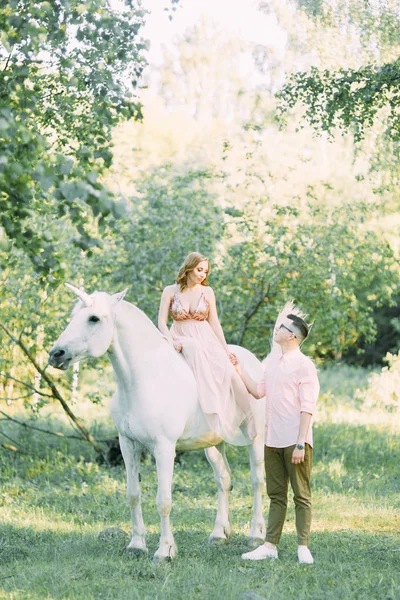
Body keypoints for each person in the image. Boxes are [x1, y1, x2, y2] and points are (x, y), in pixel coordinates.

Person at [234, 307, 319, 564]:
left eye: (282, 327)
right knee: (277, 495)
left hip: (296, 441)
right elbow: (259, 391)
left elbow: (307, 407)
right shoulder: (271, 362)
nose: (277, 330)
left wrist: (300, 443)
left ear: (292, 336)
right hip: (272, 440)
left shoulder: (304, 366)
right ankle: (270, 546)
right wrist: (238, 370)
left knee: (301, 495)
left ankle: (303, 547)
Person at [158, 252, 255, 441]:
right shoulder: (170, 291)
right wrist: (172, 341)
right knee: (192, 347)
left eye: (206, 271)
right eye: (199, 269)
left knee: (229, 371)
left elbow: (215, 322)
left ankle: (250, 416)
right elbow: (161, 322)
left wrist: (225, 349)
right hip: (181, 336)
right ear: (189, 268)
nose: (203, 274)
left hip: (206, 337)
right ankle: (205, 407)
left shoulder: (207, 292)